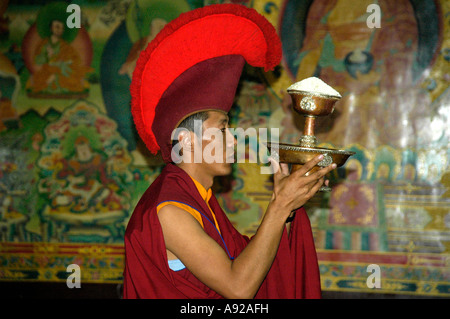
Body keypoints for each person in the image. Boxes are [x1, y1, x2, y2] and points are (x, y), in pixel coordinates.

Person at [123, 4, 336, 299]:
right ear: (186, 141)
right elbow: (238, 288)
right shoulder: (169, 210)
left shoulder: (199, 198)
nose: (233, 141)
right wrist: (278, 208)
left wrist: (286, 207)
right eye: (222, 128)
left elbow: (249, 263)